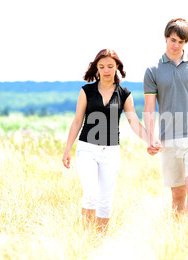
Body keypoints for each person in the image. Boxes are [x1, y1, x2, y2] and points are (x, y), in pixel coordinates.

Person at [62, 49, 160, 234]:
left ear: (117, 67)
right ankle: (86, 239)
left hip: (111, 152)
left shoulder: (124, 94)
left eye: (110, 66)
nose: (106, 70)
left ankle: (100, 242)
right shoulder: (86, 91)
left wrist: (151, 141)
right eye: (101, 67)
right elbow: (77, 121)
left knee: (105, 201)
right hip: (87, 149)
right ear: (96, 68)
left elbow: (134, 122)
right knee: (90, 195)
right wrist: (67, 150)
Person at [143, 18, 188, 219]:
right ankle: (178, 238)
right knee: (177, 194)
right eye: (173, 40)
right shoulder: (153, 71)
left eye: (181, 42)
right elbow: (149, 108)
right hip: (170, 137)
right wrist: (151, 138)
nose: (176, 45)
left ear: (186, 43)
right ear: (166, 37)